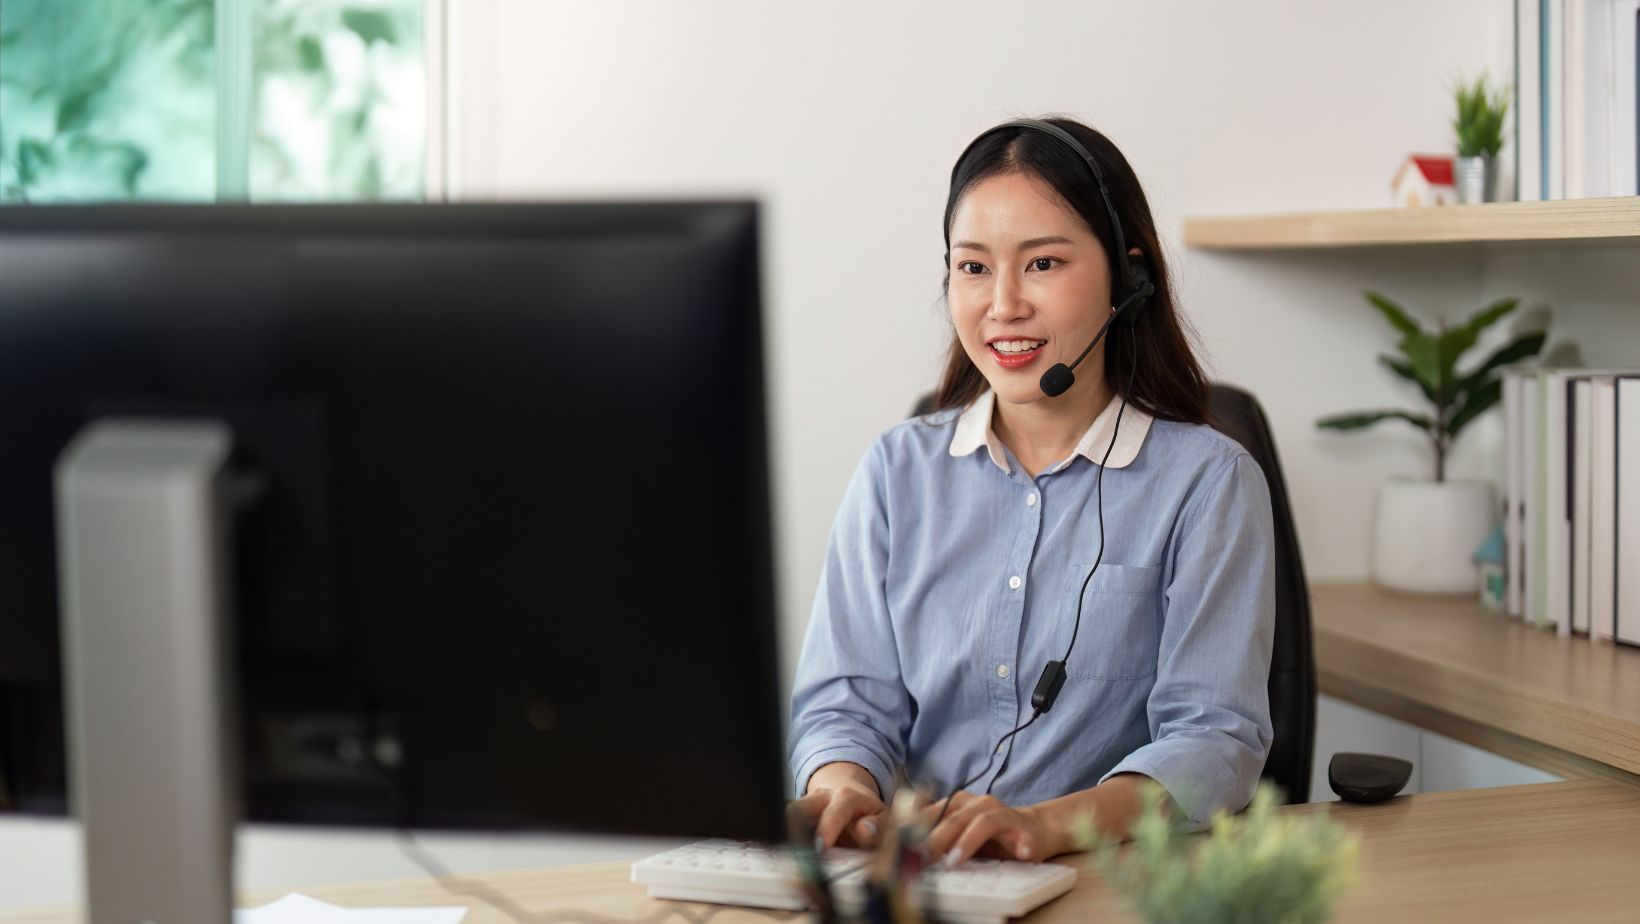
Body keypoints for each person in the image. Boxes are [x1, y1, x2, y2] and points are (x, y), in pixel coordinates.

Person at [786, 116, 1276, 867]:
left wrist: (1042, 826)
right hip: (921, 881)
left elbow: (1214, 740)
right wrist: (842, 785)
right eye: (973, 267)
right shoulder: (895, 474)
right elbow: (844, 704)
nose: (1003, 305)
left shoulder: (1208, 483)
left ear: (1128, 275)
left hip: (1109, 877)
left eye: (1042, 264)